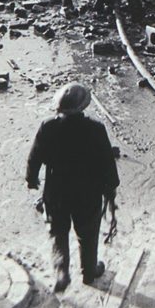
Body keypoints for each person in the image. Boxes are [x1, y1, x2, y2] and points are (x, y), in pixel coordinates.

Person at [26, 82, 119, 293]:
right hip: (88, 194)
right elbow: (107, 163)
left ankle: (61, 271)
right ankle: (89, 271)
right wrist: (110, 190)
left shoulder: (48, 127)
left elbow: (34, 158)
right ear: (83, 107)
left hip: (57, 193)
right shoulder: (96, 129)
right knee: (87, 233)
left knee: (58, 232)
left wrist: (32, 179)